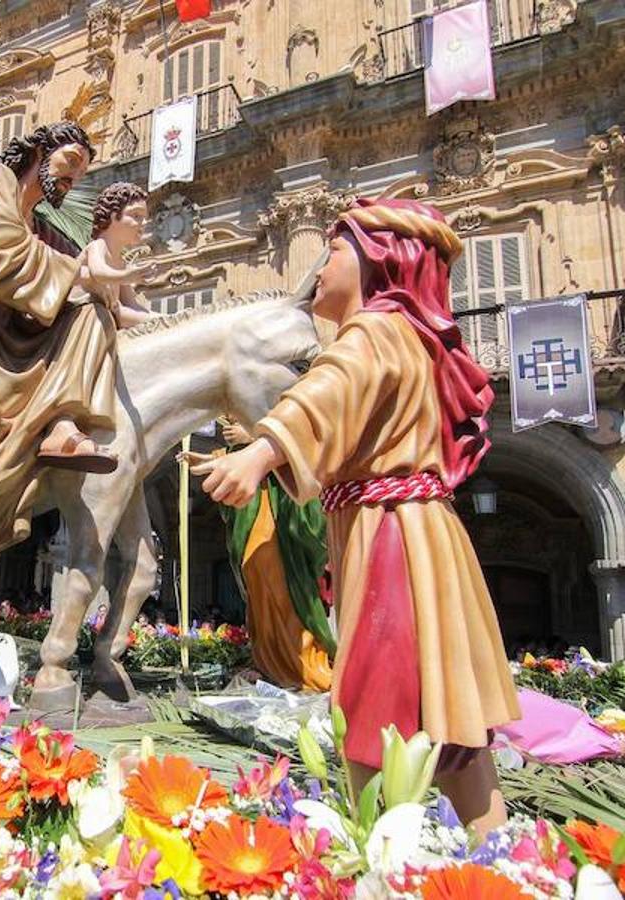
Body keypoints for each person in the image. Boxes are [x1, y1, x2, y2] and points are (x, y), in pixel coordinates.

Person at [189, 198, 520, 835]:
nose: (317, 270)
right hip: (411, 529)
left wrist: (262, 451)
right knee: (443, 701)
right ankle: (498, 848)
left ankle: (375, 849)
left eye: (334, 250)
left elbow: (330, 389)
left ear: (378, 260)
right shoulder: (404, 335)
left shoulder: (376, 329)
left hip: (391, 533)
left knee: (376, 697)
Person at [0, 122, 119, 627]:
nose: (76, 177)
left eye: (82, 170)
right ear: (39, 151)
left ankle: (62, 423)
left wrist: (102, 286)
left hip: (16, 328)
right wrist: (76, 272)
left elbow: (68, 283)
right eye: (71, 161)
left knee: (95, 313)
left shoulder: (44, 224)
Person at [214, 417, 335, 692]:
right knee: (256, 583)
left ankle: (302, 663)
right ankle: (269, 662)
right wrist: (220, 457)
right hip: (255, 507)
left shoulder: (286, 390)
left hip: (280, 513)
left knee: (281, 586)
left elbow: (301, 432)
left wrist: (255, 437)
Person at [79, 182, 160, 329]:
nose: (144, 223)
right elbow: (99, 273)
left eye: (144, 217)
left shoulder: (120, 263)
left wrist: (162, 318)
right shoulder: (98, 246)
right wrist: (126, 275)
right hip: (85, 320)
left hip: (109, 317)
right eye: (136, 216)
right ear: (114, 216)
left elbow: (132, 305)